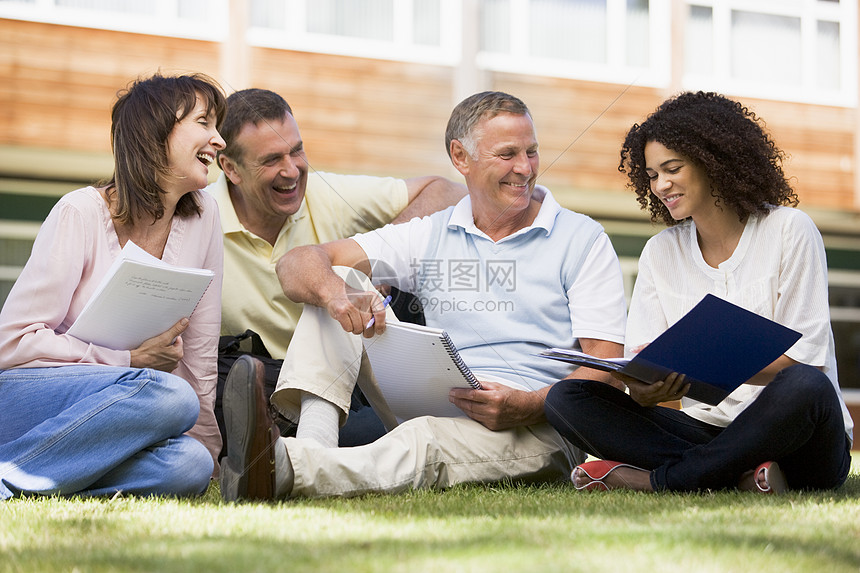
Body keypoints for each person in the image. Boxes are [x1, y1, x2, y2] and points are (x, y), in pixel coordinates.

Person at [219, 90, 629, 501]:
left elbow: (607, 364)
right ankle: (312, 445)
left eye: (532, 152)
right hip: (445, 398)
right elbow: (297, 263)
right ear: (461, 157)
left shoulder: (583, 239)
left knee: (424, 438)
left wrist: (529, 403)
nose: (525, 168)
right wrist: (338, 296)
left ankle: (285, 467)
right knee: (340, 279)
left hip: (539, 429)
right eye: (508, 154)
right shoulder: (432, 232)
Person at [544, 91, 854, 494]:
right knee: (567, 397)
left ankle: (663, 481)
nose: (661, 185)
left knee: (804, 386)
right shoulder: (660, 252)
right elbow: (641, 367)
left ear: (713, 160)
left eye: (672, 168)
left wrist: (708, 369)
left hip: (801, 436)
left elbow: (805, 361)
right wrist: (645, 388)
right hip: (707, 432)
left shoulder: (790, 230)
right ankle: (739, 476)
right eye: (652, 175)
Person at [0, 73, 227, 499]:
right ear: (156, 132)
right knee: (171, 395)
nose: (219, 140)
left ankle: (45, 473)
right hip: (25, 398)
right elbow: (11, 344)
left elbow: (199, 349)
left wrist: (207, 446)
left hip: (123, 411)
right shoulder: (79, 212)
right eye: (204, 123)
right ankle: (9, 479)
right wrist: (125, 360)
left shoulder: (205, 218)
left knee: (189, 464)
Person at [208, 88, 467, 454]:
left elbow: (444, 191)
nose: (291, 169)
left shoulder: (327, 194)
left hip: (340, 377)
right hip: (253, 375)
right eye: (271, 160)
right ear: (230, 169)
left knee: (368, 429)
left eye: (296, 150)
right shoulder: (199, 216)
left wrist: (378, 260)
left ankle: (301, 444)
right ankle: (297, 443)